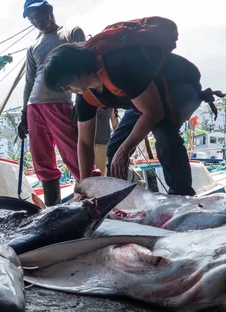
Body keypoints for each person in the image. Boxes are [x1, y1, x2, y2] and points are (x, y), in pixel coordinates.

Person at [42, 17, 225, 196]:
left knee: (163, 130)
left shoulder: (118, 65)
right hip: (145, 102)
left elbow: (153, 113)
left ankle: (181, 196)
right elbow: (84, 142)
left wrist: (125, 150)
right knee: (115, 147)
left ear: (78, 70)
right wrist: (84, 187)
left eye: (65, 84)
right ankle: (117, 200)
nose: (66, 90)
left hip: (181, 86)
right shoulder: (85, 95)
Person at [17, 0, 86, 206]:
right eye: (30, 18)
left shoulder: (72, 32)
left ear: (49, 11)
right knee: (42, 161)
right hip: (34, 107)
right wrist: (23, 115)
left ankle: (96, 203)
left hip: (61, 103)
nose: (35, 20)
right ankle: (52, 210)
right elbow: (29, 81)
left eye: (37, 14)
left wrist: (82, 102)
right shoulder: (33, 46)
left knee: (75, 156)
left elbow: (85, 68)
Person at [93, 107, 118, 176]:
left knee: (99, 176)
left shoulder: (110, 103)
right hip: (83, 144)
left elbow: (115, 124)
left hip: (102, 143)